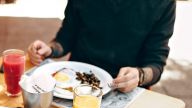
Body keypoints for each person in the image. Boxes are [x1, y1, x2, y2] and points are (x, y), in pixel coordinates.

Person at [28, 0, 176, 93]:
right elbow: (65, 38)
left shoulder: (164, 3)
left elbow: (155, 64)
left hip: (124, 89)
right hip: (75, 83)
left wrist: (140, 75)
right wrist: (50, 49)